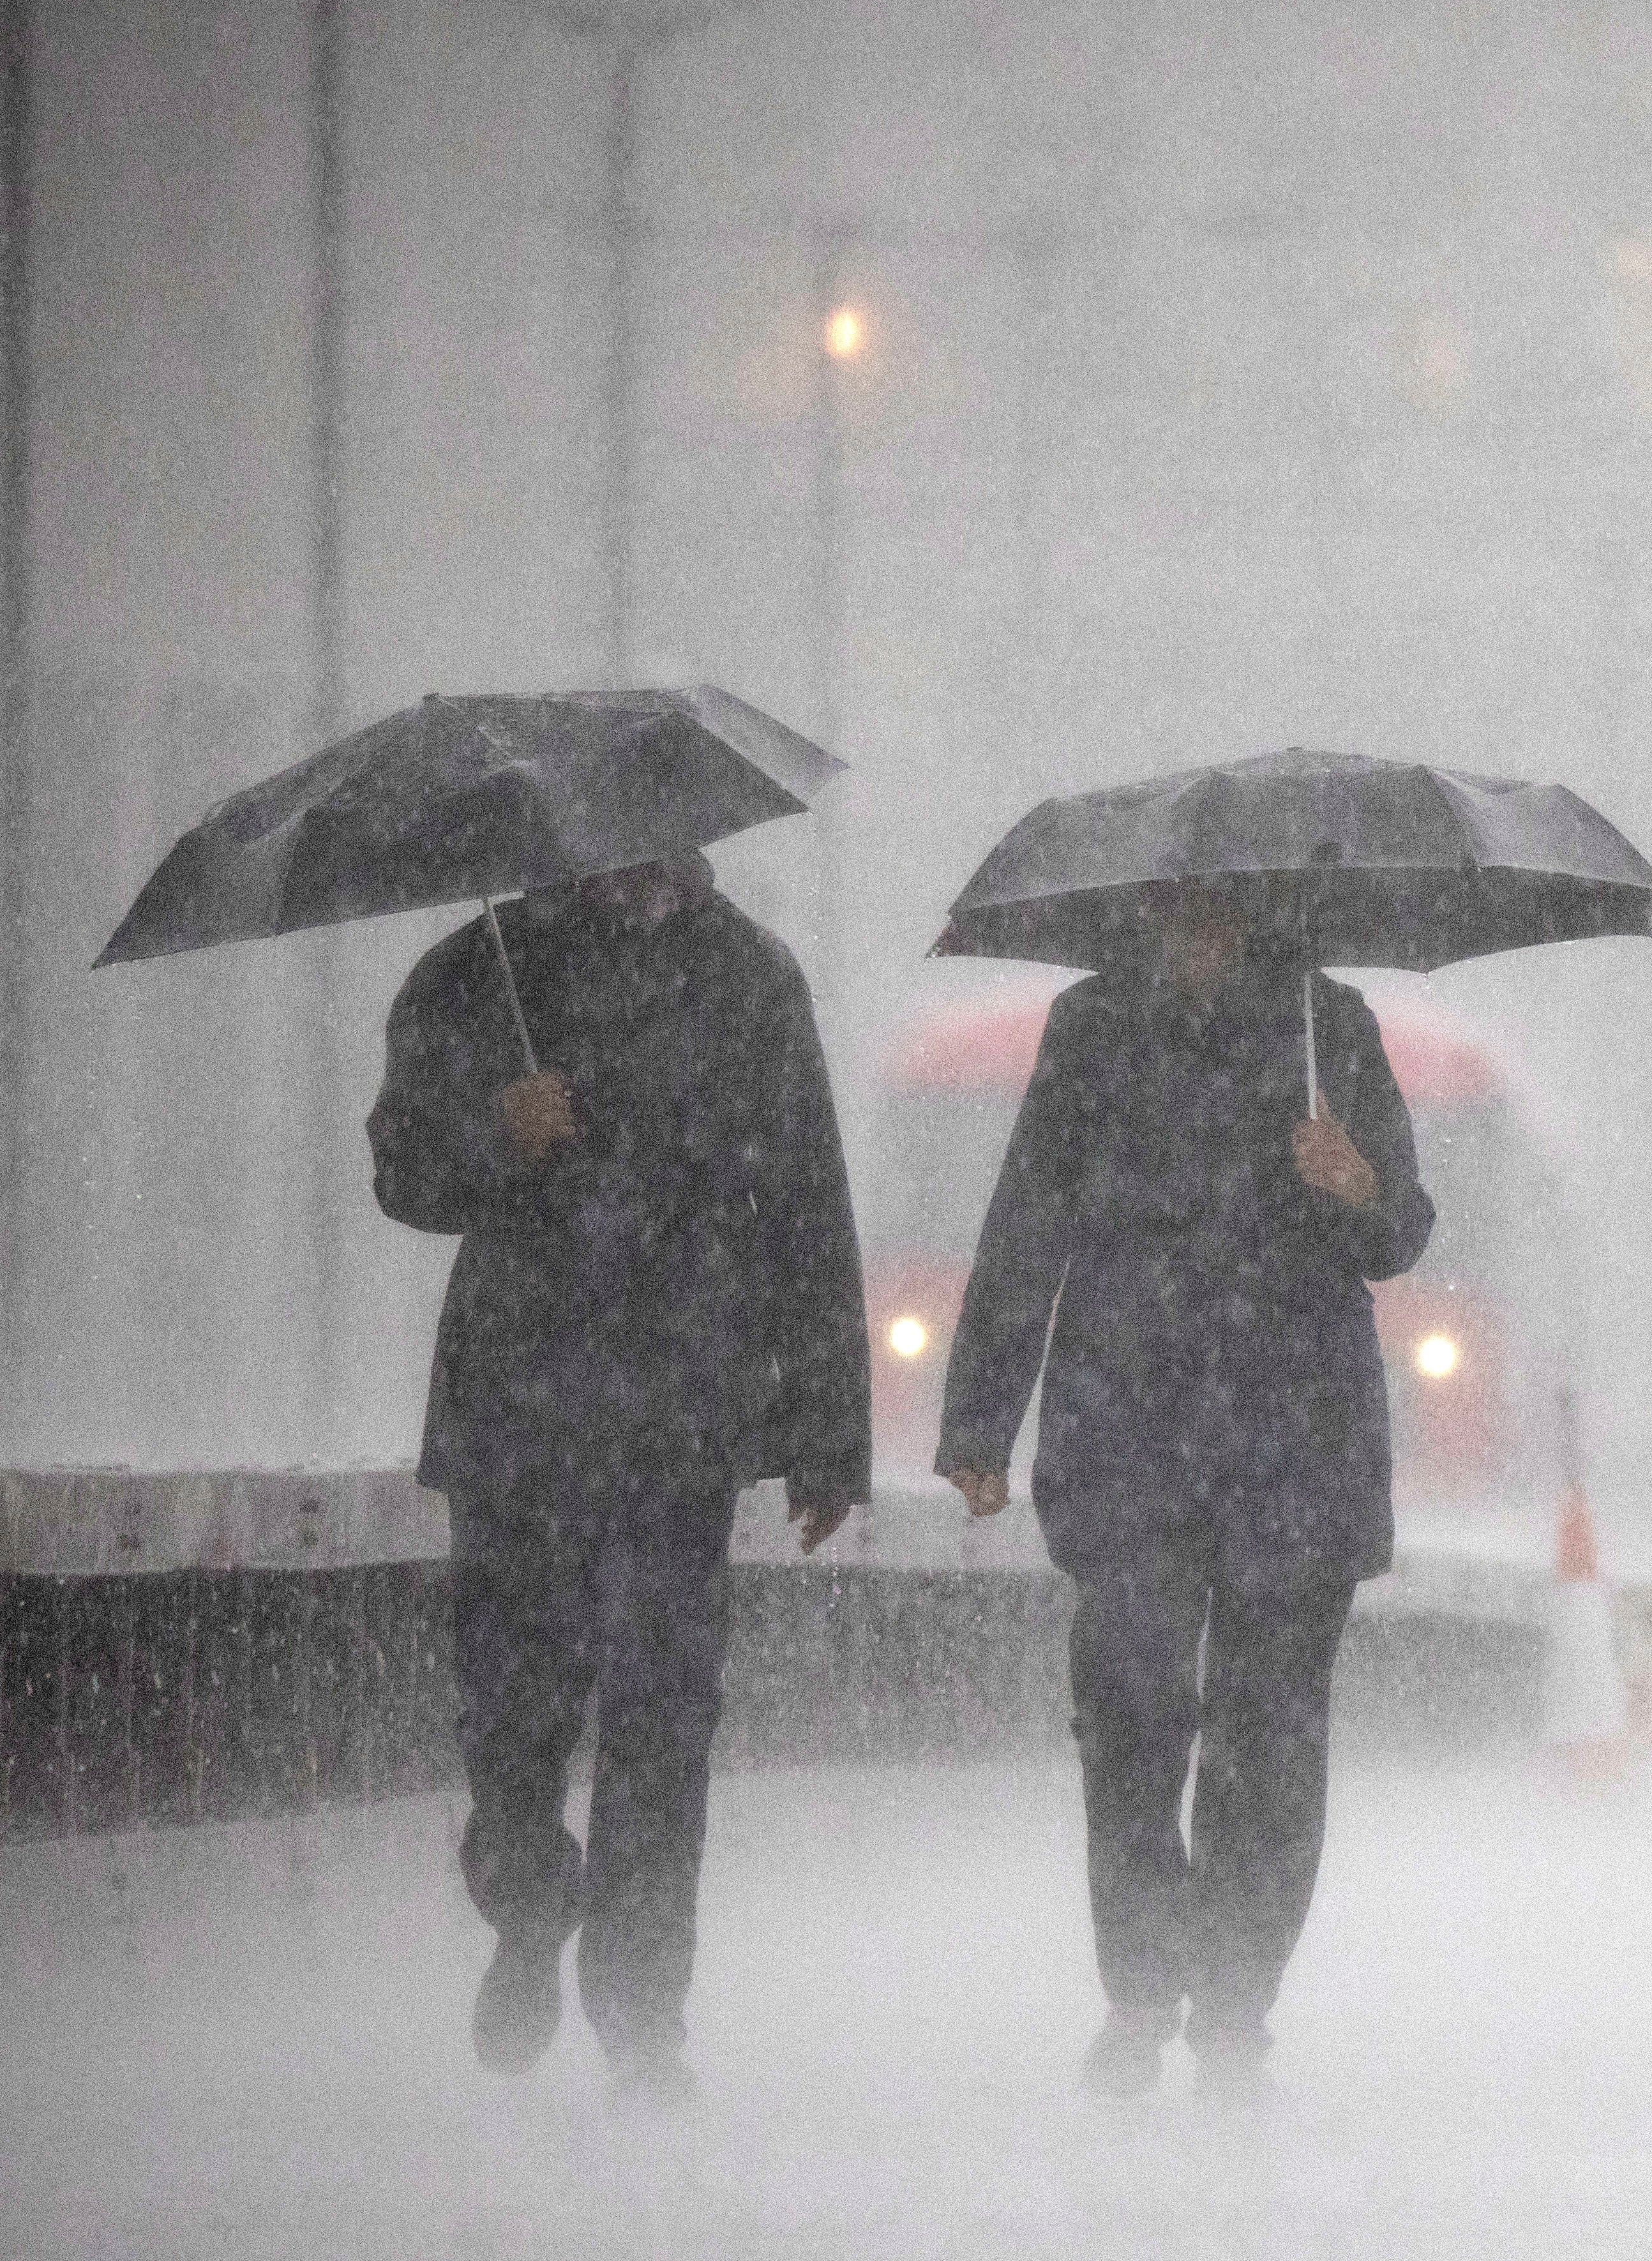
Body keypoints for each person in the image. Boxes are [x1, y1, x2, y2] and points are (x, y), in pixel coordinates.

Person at [368, 850, 867, 2105]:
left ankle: (644, 2015)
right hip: (518, 1412)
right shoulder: (481, 969)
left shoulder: (752, 979)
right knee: (511, 1711)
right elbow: (402, 1172)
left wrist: (827, 1428)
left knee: (662, 1719)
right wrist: (499, 1135)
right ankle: (530, 1904)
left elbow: (808, 1201)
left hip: (679, 1415)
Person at [935, 887, 1434, 2098]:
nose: (1201, 941)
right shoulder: (1092, 1029)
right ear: (1150, 919)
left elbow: (1402, 1227)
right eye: (1183, 919)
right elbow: (1028, 1221)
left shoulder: (1333, 1026)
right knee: (1132, 1712)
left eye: (1224, 919)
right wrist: (978, 1418)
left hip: (1294, 1443)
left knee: (1270, 1739)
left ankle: (1234, 2003)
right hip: (1131, 1432)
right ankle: (1143, 1985)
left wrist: (1355, 1181)